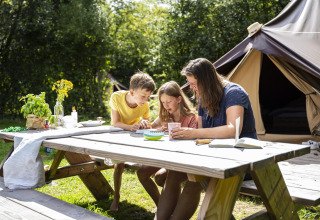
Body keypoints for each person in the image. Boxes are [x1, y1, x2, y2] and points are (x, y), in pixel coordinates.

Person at [155, 58, 257, 220]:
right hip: (215, 158)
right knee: (174, 172)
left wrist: (193, 133)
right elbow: (202, 133)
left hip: (242, 162)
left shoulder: (234, 93)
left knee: (195, 177)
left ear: (206, 80)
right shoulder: (203, 98)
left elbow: (233, 130)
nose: (191, 88)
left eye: (194, 84)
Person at [137, 81, 197, 206]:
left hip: (184, 159)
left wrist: (180, 134)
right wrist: (145, 125)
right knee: (142, 172)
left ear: (179, 99)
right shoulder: (164, 115)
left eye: (168, 102)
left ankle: (168, 208)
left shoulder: (191, 117)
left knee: (160, 177)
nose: (165, 105)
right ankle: (161, 206)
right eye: (163, 102)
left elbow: (195, 142)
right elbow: (150, 128)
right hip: (166, 157)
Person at [109, 71, 156, 212]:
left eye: (148, 97)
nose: (146, 100)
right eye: (143, 96)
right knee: (119, 166)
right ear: (132, 91)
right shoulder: (116, 97)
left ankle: (161, 202)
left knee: (147, 163)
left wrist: (145, 124)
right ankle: (116, 197)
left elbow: (148, 123)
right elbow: (116, 123)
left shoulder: (145, 105)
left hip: (135, 136)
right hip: (119, 133)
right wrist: (131, 127)